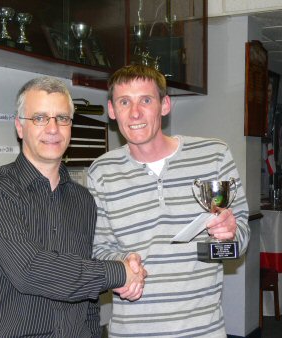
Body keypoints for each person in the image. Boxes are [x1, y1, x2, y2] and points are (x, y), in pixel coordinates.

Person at [0, 76, 147, 338]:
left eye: (62, 118)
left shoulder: (83, 200)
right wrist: (119, 272)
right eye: (39, 118)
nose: (53, 128)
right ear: (20, 127)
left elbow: (87, 303)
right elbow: (30, 270)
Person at [87, 65, 251, 338]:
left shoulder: (214, 155)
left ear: (165, 105)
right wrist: (122, 268)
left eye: (146, 100)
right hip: (132, 332)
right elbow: (98, 249)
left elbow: (240, 241)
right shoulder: (101, 172)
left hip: (203, 330)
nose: (135, 113)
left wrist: (229, 235)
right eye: (124, 102)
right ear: (112, 110)